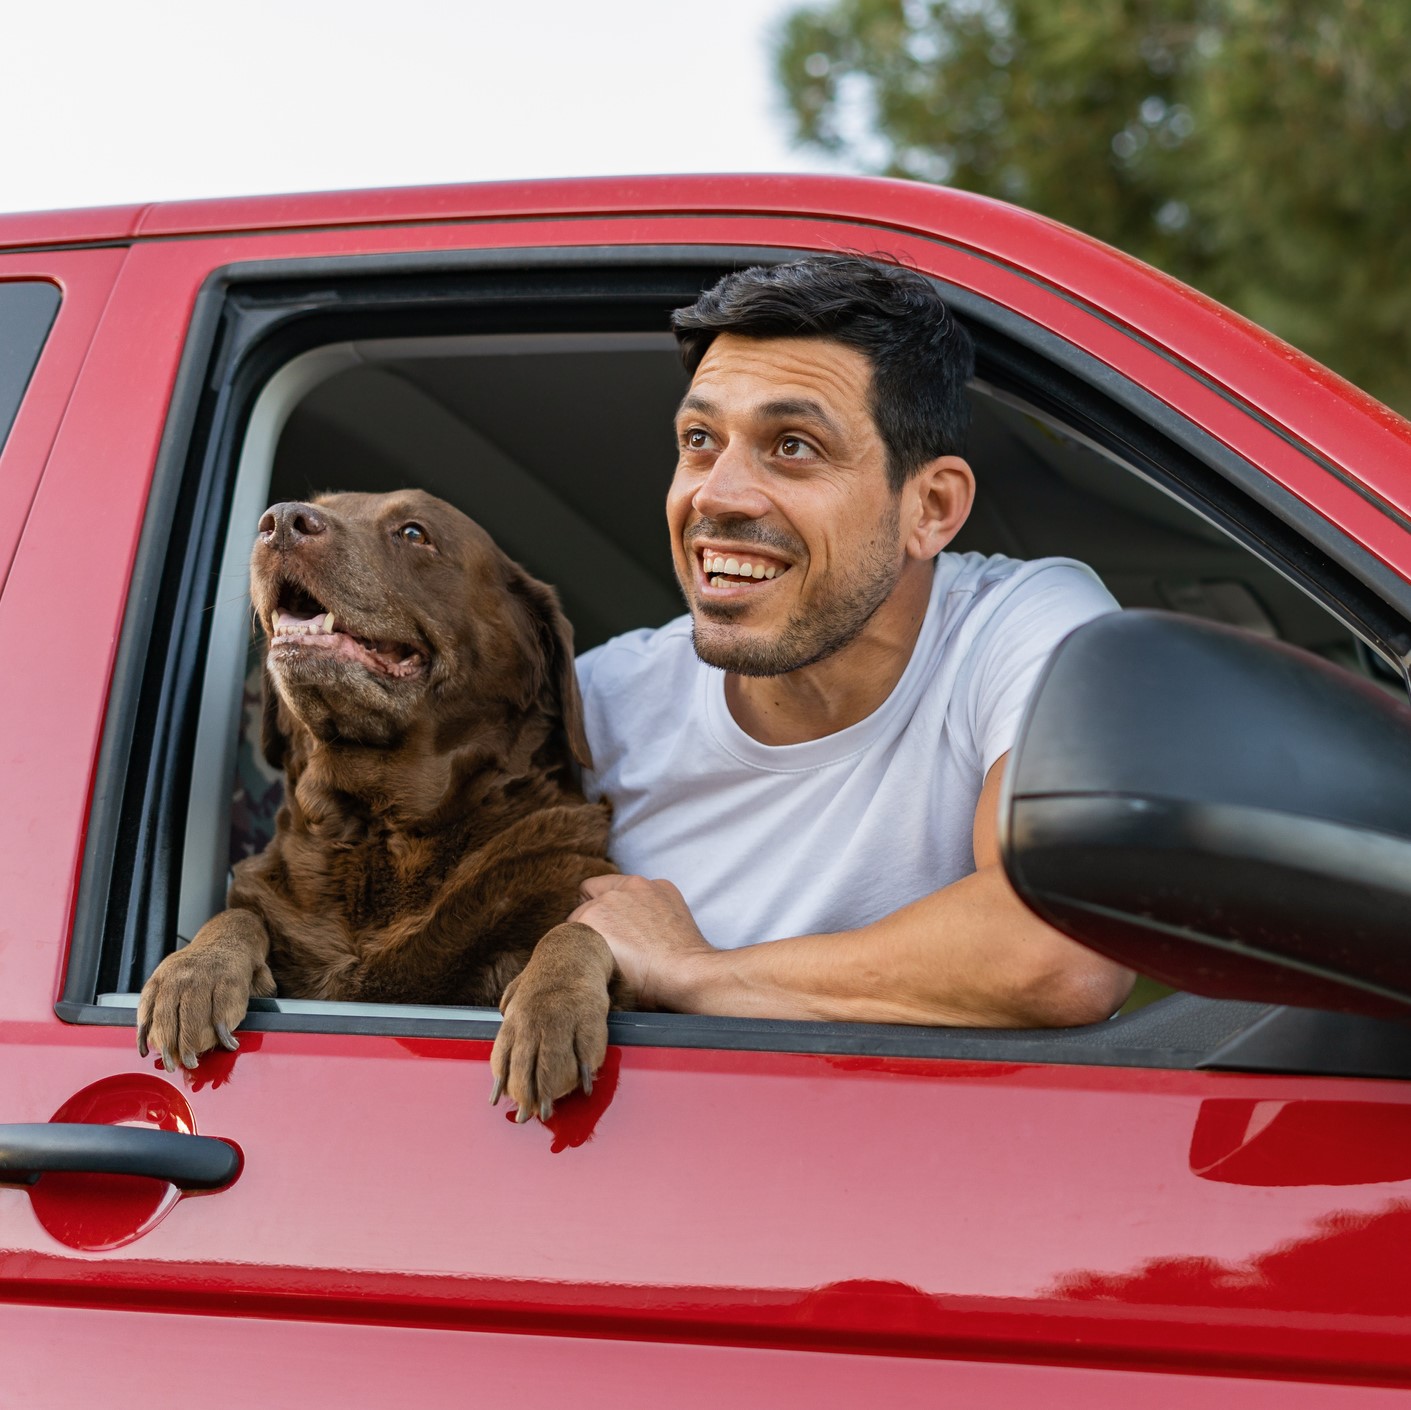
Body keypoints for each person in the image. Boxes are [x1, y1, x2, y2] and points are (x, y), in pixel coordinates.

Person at [570, 254, 1134, 1028]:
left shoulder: (1020, 625)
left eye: (793, 445)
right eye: (700, 439)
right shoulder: (598, 703)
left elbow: (1060, 947)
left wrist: (689, 973)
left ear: (930, 508)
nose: (717, 494)